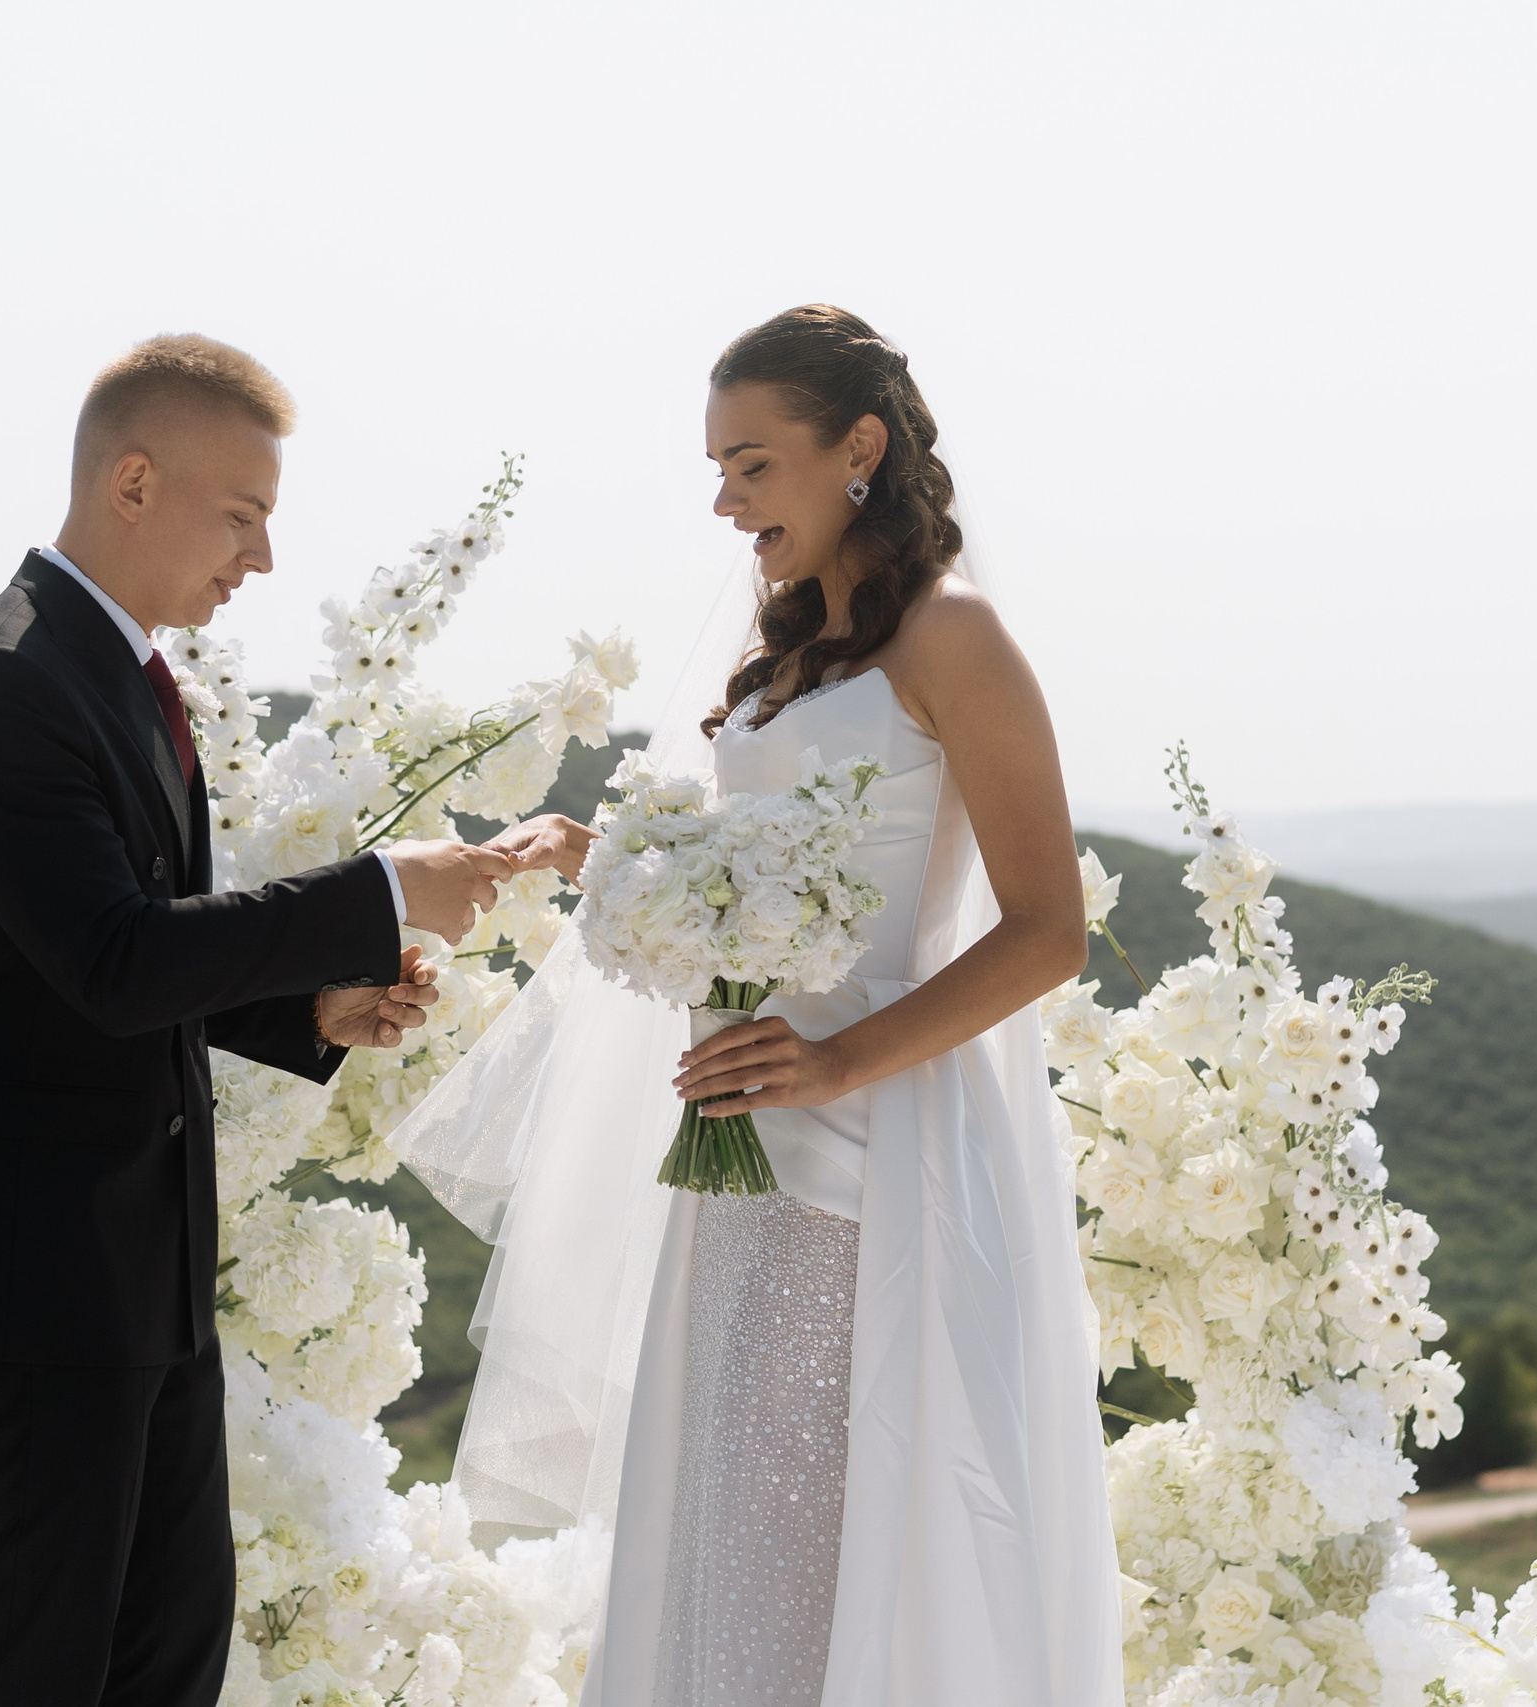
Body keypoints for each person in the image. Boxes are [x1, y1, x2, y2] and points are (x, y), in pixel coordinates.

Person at [404, 306, 1123, 1706]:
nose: (724, 503)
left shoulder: (952, 633)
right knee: (730, 1527)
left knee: (822, 1540)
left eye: (751, 466)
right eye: (719, 470)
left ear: (858, 448)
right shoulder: (791, 646)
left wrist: (840, 1060)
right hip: (740, 1155)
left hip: (877, 1157)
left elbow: (1048, 933)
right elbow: (768, 878)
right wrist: (616, 872)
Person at [0, 334, 512, 1707]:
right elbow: (112, 958)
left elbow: (125, 958)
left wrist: (315, 1005)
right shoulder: (3, 687)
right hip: (32, 1282)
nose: (262, 560)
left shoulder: (118, 680)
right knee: (46, 1676)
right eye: (245, 516)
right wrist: (388, 890)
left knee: (166, 1667)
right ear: (136, 482)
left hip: (138, 1279)